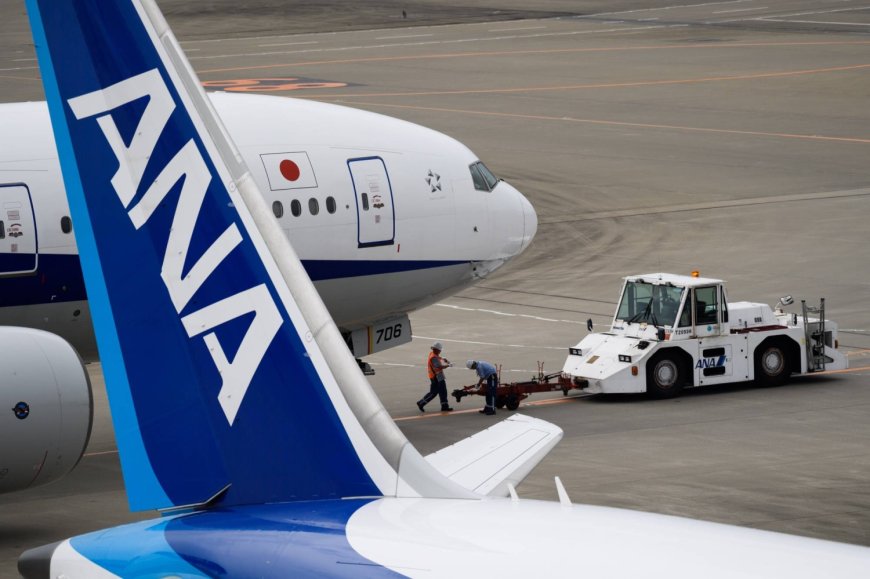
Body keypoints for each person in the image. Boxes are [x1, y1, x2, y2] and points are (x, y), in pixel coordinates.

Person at [417, 341, 453, 412]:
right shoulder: (433, 357)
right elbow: (439, 366)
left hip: (436, 377)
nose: (440, 351)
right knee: (435, 392)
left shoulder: (432, 354)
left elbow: (437, 357)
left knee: (442, 392)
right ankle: (421, 403)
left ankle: (444, 406)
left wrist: (442, 358)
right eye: (439, 350)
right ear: (436, 349)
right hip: (437, 377)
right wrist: (448, 365)